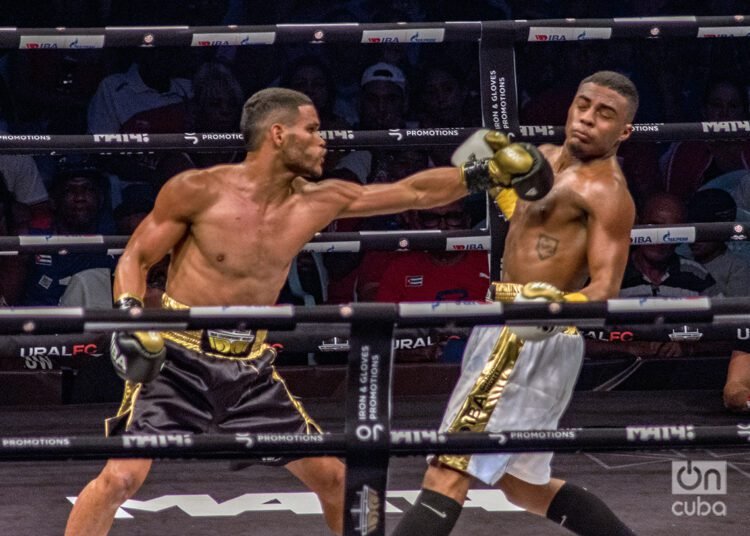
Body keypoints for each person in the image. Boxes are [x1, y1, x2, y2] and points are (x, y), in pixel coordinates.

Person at [64, 87, 553, 536]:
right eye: (313, 129)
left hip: (249, 368)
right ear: (278, 134)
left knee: (336, 478)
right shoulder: (198, 189)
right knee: (120, 478)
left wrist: (481, 174)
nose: (325, 140)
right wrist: (128, 318)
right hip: (178, 357)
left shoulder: (319, 200)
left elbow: (414, 192)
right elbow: (136, 256)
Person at [391, 71, 639, 536]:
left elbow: (605, 289)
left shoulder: (606, 192)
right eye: (583, 105)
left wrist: (550, 309)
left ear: (624, 131)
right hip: (506, 323)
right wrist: (496, 175)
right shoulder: (544, 158)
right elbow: (526, 216)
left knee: (449, 468)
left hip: (526, 338)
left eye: (605, 115)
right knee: (523, 486)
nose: (588, 118)